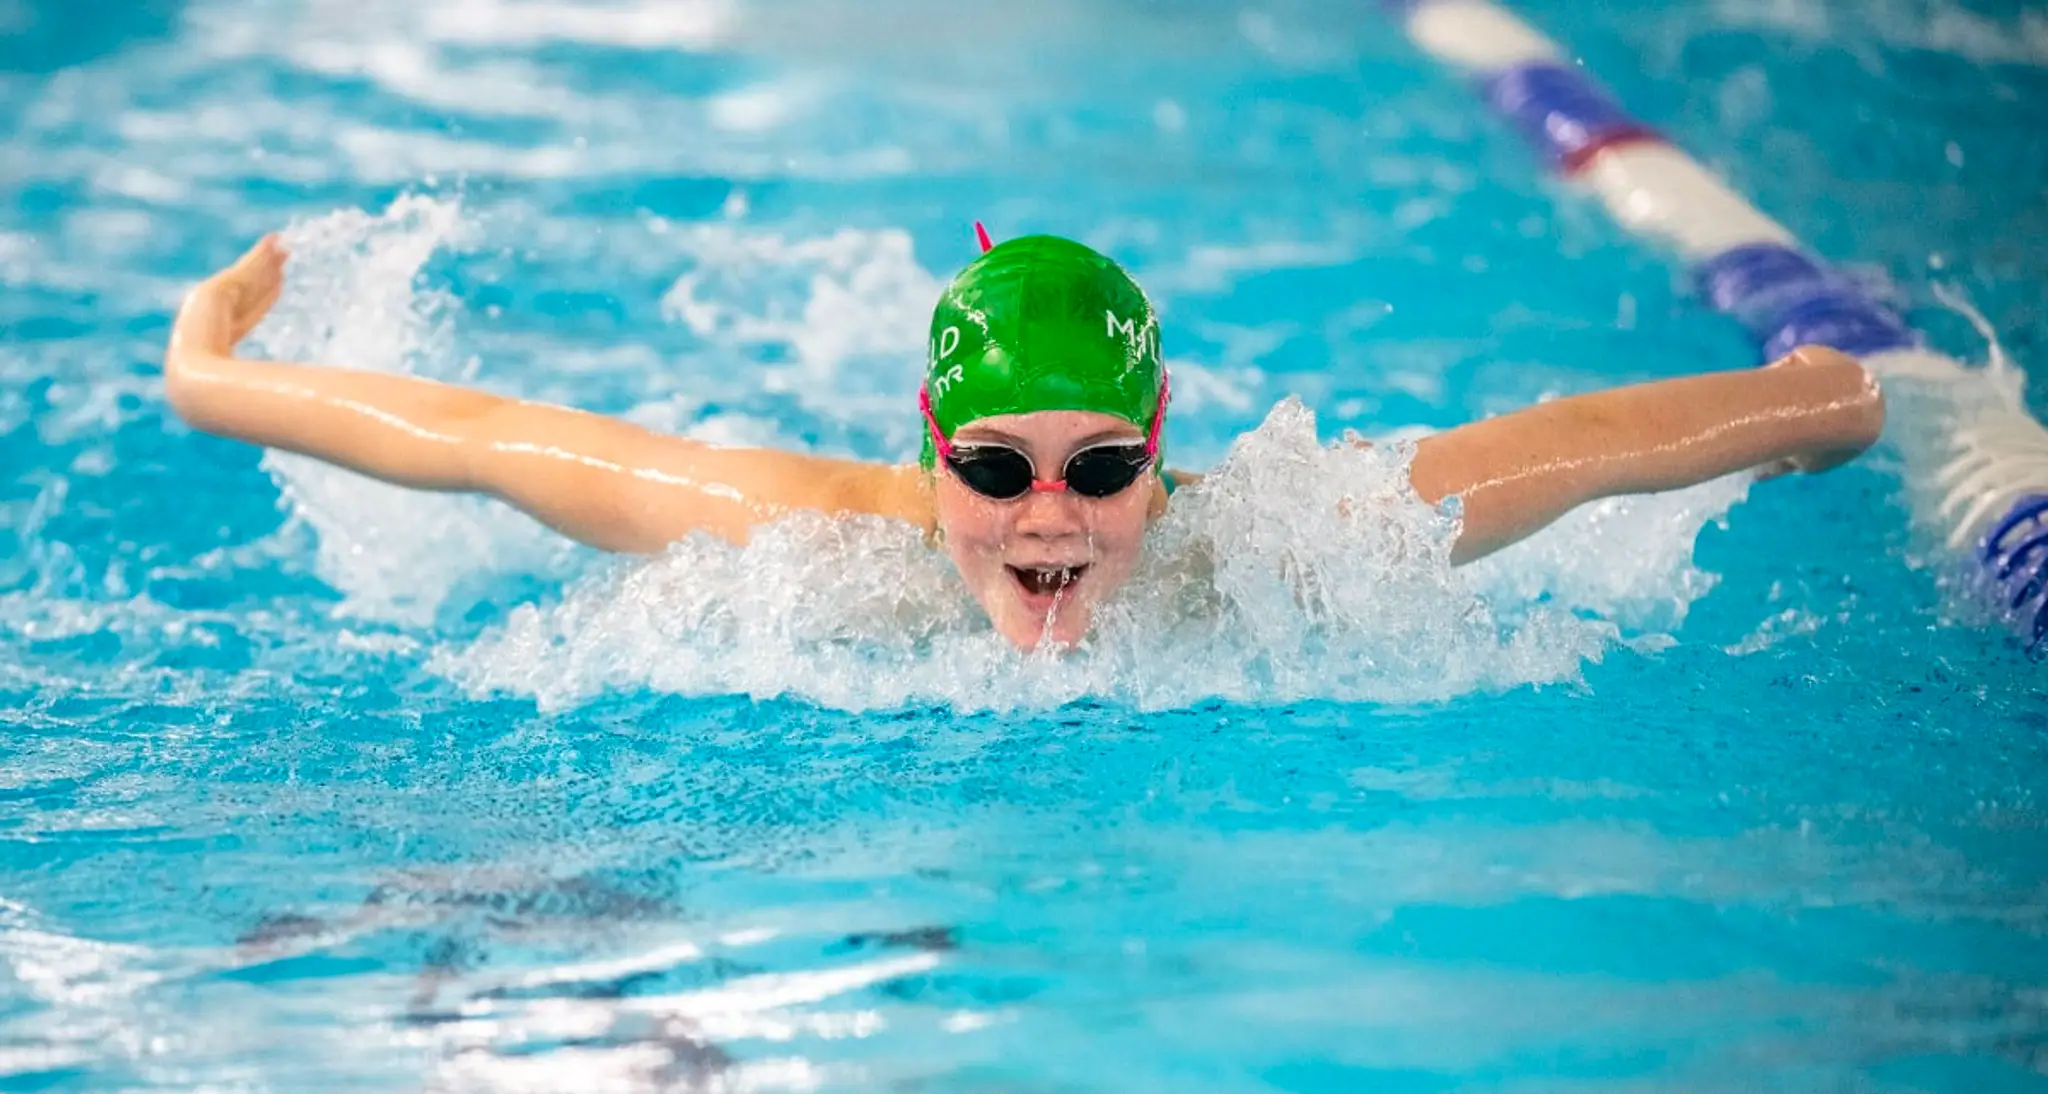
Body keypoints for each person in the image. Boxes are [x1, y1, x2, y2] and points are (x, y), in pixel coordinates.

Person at [163, 230, 1885, 651]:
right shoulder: (808, 546)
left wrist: (1832, 401)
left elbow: (1587, 440)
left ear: (1162, 446)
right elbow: (482, 437)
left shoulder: (1288, 538)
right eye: (993, 467)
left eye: (1101, 466)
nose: (1048, 516)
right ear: (929, 451)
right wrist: (208, 372)